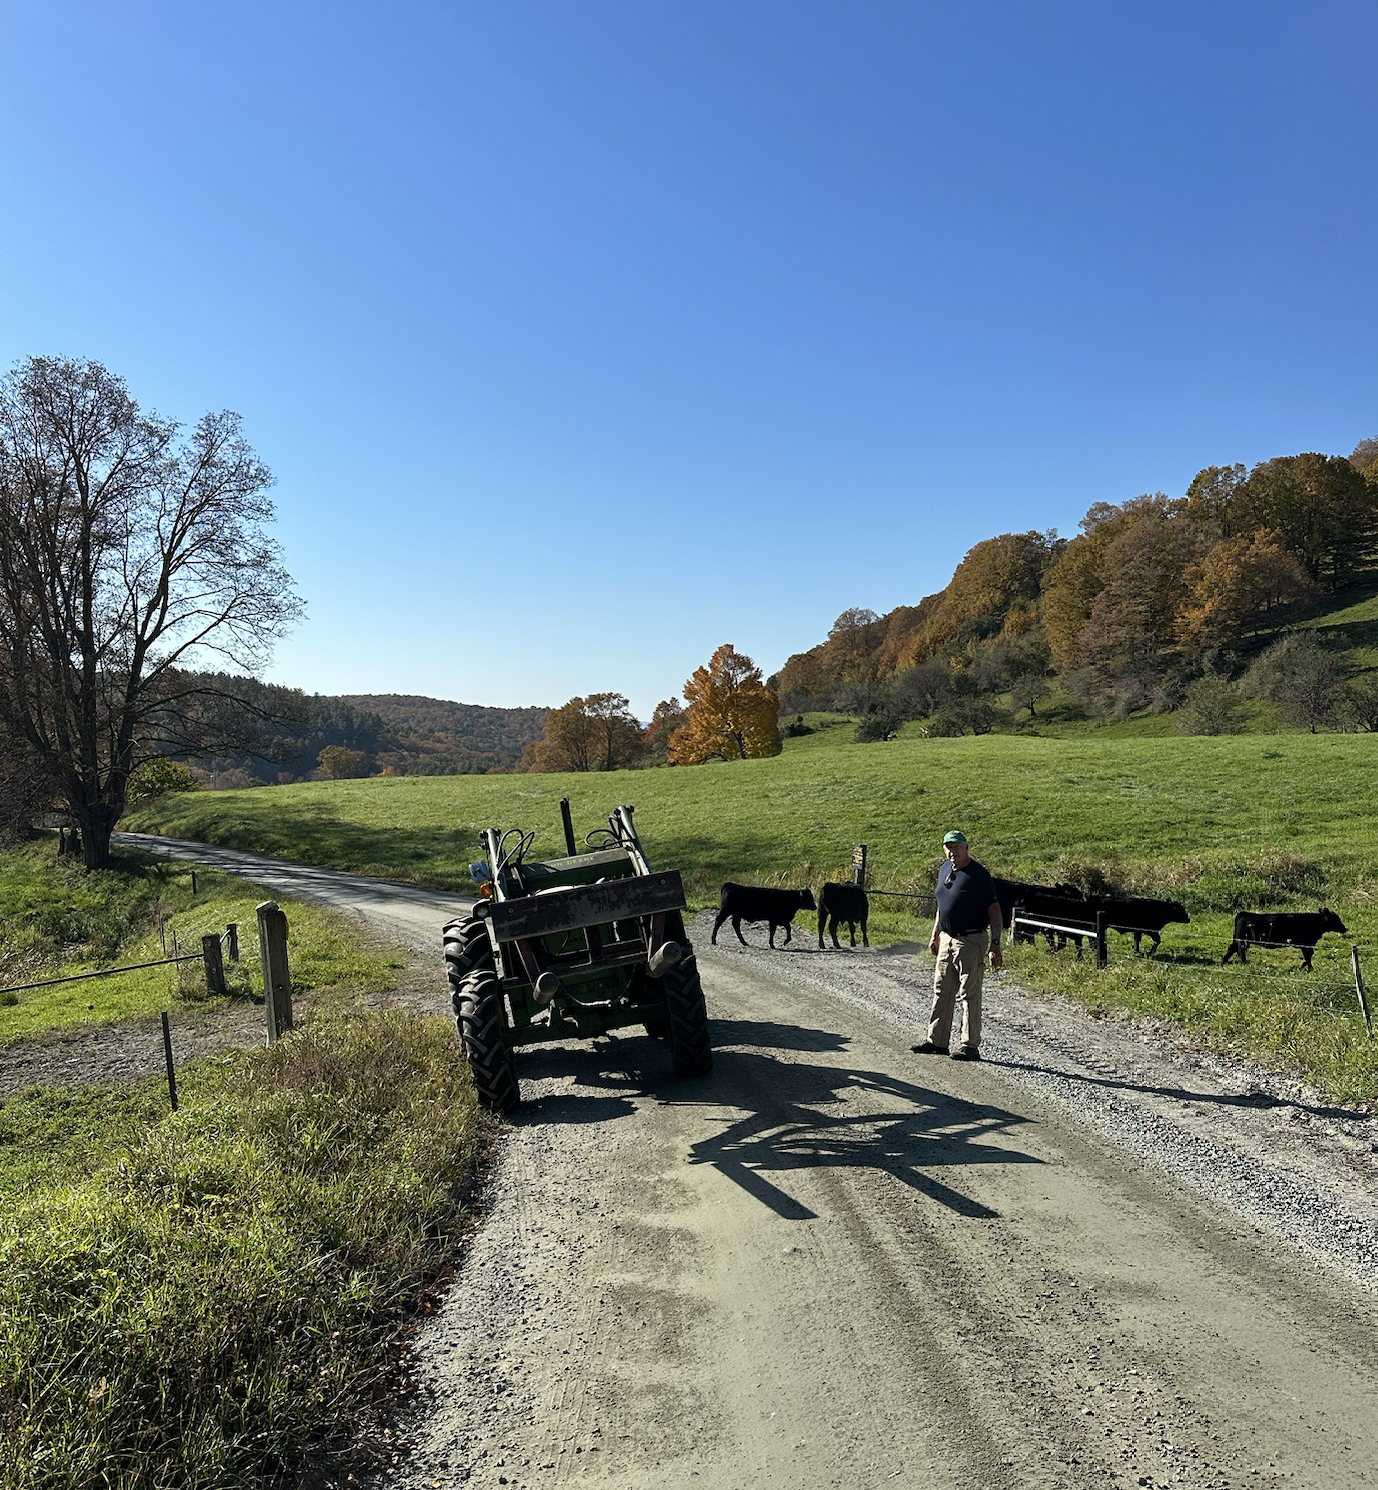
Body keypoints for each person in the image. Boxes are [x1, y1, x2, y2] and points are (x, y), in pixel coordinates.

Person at [911, 829, 1002, 1062]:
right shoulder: (944, 870)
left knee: (969, 994)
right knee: (941, 991)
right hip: (947, 939)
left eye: (956, 846)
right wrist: (935, 935)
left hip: (971, 940)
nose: (952, 851)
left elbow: (994, 911)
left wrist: (995, 944)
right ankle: (937, 1041)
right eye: (948, 847)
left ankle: (969, 1045)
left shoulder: (979, 875)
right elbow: (942, 906)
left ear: (966, 847)